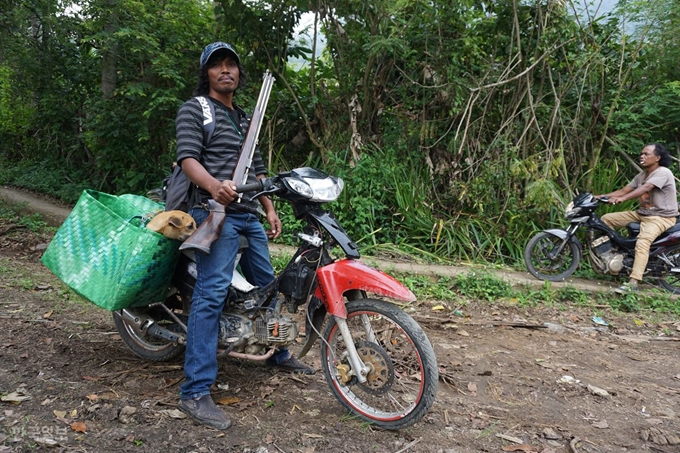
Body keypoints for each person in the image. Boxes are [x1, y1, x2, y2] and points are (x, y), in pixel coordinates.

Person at [175, 42, 315, 430]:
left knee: (270, 288)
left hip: (248, 213)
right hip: (212, 210)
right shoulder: (196, 109)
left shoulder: (245, 119)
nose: (226, 70)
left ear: (238, 74)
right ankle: (195, 391)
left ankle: (277, 353)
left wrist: (269, 207)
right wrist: (214, 186)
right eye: (217, 65)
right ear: (206, 73)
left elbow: (257, 170)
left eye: (231, 65)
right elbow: (188, 159)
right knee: (211, 293)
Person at [597, 143, 678, 294]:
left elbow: (646, 188)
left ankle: (633, 282)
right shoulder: (641, 175)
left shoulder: (663, 172)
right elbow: (623, 190)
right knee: (606, 219)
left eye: (646, 154)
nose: (642, 156)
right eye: (642, 153)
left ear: (657, 158)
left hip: (661, 218)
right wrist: (598, 197)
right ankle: (616, 256)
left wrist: (623, 199)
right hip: (643, 214)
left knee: (643, 242)